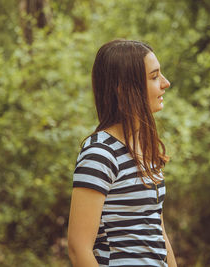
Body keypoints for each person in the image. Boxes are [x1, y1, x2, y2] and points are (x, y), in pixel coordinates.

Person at [67, 39, 177, 267]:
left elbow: (158, 234)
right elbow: (79, 249)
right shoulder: (99, 154)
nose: (165, 83)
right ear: (125, 87)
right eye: (154, 77)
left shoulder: (146, 149)